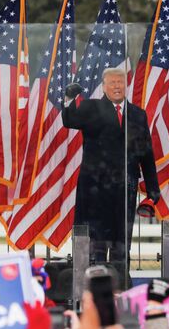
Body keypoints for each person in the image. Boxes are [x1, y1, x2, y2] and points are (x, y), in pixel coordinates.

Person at [62, 68, 160, 289]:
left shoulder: (137, 114)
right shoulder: (91, 108)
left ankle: (121, 285)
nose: (117, 86)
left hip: (125, 187)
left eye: (121, 82)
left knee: (121, 240)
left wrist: (153, 190)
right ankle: (93, 286)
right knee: (95, 240)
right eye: (113, 82)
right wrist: (69, 98)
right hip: (95, 189)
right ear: (104, 86)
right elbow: (69, 121)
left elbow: (146, 153)